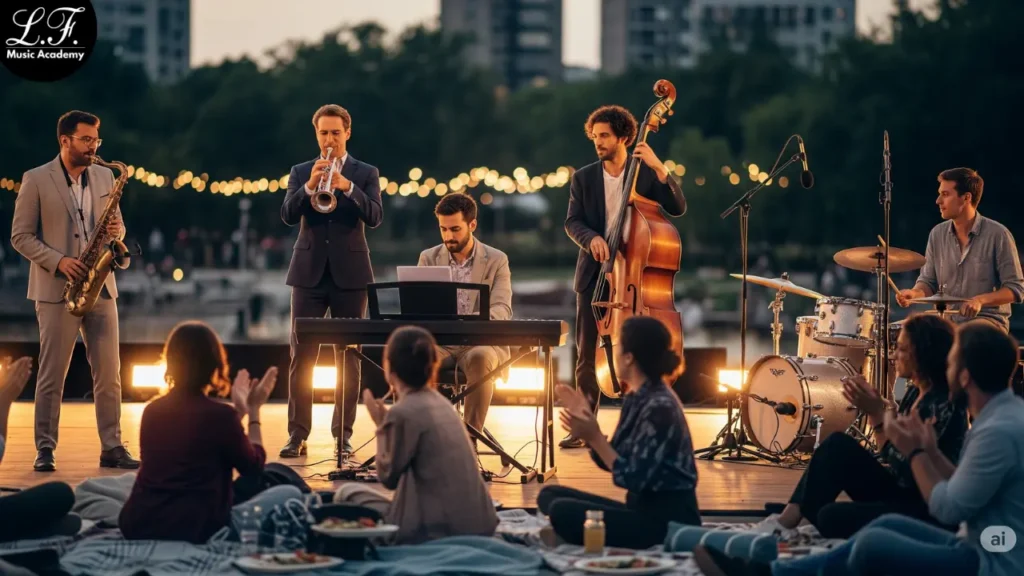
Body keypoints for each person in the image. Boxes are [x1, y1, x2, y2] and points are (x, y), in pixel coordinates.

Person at [694, 322, 1024, 576]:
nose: (945, 368)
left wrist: (916, 452)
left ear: (964, 377)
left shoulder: (995, 432)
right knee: (882, 528)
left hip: (991, 560)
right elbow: (960, 485)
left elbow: (948, 510)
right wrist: (928, 451)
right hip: (976, 540)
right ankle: (772, 570)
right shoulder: (998, 418)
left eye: (951, 363)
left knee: (870, 543)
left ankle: (769, 571)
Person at [756, 313, 967, 539]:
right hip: (903, 490)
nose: (894, 355)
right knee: (837, 445)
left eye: (902, 349)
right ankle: (789, 517)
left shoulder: (942, 403)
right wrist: (878, 414)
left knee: (830, 516)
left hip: (926, 506)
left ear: (923, 354)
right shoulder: (916, 391)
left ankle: (801, 515)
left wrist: (876, 415)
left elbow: (906, 464)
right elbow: (896, 459)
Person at [10, 110, 138, 472]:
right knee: (52, 375)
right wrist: (59, 261)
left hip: (101, 287)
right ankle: (45, 447)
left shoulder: (105, 175)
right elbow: (20, 236)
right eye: (86, 140)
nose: (93, 147)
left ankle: (112, 446)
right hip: (57, 289)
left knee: (109, 374)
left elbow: (118, 227)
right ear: (64, 140)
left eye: (96, 140)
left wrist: (117, 230)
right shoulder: (35, 179)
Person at [561, 104, 687, 448]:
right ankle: (584, 426)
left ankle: (641, 422)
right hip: (595, 275)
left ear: (625, 138)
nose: (598, 142)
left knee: (640, 354)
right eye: (595, 136)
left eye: (604, 136)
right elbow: (572, 222)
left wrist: (660, 168)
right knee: (587, 355)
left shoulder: (644, 174)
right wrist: (592, 239)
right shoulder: (583, 177)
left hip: (634, 281)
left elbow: (677, 208)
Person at [538, 316, 700, 549]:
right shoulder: (636, 396)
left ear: (629, 357)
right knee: (549, 495)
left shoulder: (660, 407)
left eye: (617, 346)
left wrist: (594, 437)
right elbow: (615, 457)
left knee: (561, 510)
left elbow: (631, 476)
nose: (612, 353)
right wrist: (588, 427)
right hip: (641, 509)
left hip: (668, 523)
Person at [279, 104, 383, 458]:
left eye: (335, 133)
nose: (329, 140)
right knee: (301, 357)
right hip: (307, 273)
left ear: (347, 133)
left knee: (348, 358)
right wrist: (311, 186)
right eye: (323, 133)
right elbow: (287, 214)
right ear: (316, 134)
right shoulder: (300, 171)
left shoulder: (366, 173)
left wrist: (348, 187)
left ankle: (343, 435)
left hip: (350, 275)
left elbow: (375, 216)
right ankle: (297, 434)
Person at [335, 326, 498, 545]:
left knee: (346, 493)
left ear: (388, 369)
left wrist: (382, 428)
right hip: (482, 525)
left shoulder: (403, 412)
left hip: (438, 532)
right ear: (434, 366)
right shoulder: (445, 405)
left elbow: (388, 478)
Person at [119, 321, 278, 544]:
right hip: (198, 528)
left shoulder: (152, 411)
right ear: (214, 364)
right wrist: (253, 411)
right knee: (287, 493)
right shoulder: (221, 416)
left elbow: (198, 438)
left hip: (141, 524)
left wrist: (238, 413)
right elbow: (253, 467)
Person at [417, 192, 512, 434]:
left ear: (472, 225)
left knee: (481, 357)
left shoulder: (497, 259)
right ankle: (418, 436)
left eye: (455, 229)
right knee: (414, 356)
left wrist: (474, 322)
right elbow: (418, 307)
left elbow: (502, 308)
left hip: (480, 342)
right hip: (441, 342)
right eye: (443, 229)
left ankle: (470, 439)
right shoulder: (428, 258)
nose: (448, 236)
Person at [897, 167, 1024, 332]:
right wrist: (914, 294)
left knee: (968, 334)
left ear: (966, 198)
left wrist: (980, 300)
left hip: (988, 321)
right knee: (910, 330)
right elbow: (928, 282)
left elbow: (1015, 289)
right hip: (947, 320)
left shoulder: (998, 234)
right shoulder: (937, 234)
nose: (938, 201)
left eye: (945, 194)